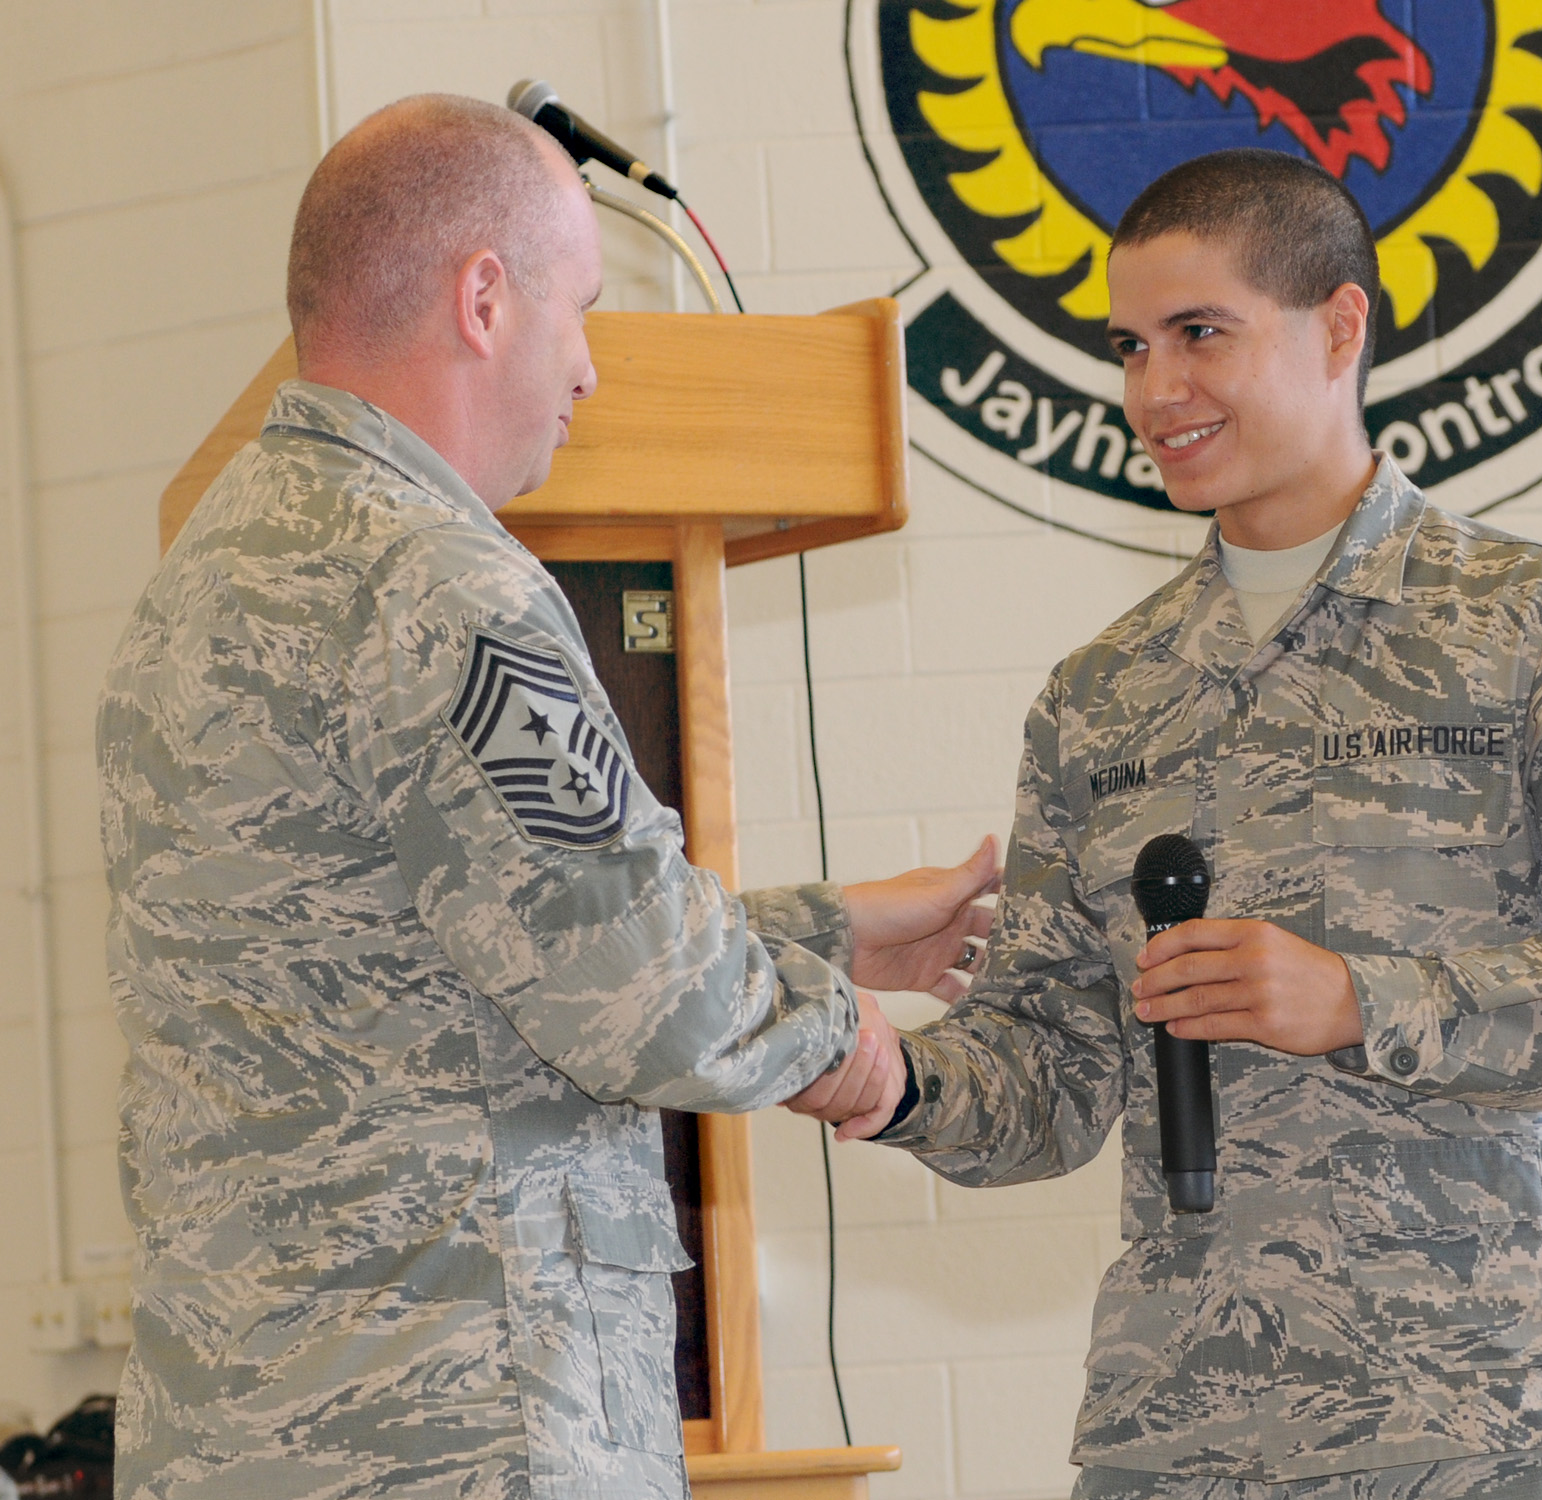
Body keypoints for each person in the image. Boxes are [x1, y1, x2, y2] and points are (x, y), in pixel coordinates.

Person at [794, 149, 1542, 1499]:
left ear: (1340, 327)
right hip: (1188, 1437)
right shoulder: (1100, 696)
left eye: (1200, 335)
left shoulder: (1530, 621)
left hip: (1493, 1424)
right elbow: (1055, 1077)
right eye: (1130, 347)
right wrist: (883, 1078)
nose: (1154, 390)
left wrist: (1363, 998)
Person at [97, 94, 986, 1500]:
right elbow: (644, 992)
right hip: (455, 1424)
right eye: (579, 310)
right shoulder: (440, 580)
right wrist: (860, 1048)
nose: (588, 371)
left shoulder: (201, 582)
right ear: (484, 298)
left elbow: (448, 958)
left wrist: (840, 926)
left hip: (245, 1429)